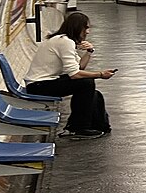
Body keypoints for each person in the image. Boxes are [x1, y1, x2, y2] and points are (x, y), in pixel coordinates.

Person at [23, 11, 116, 139]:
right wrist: (100, 74)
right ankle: (79, 127)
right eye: (86, 28)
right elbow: (74, 75)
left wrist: (89, 51)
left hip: (44, 82)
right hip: (37, 85)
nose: (87, 32)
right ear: (78, 27)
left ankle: (94, 126)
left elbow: (79, 67)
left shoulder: (63, 40)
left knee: (92, 91)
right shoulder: (65, 42)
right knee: (86, 82)